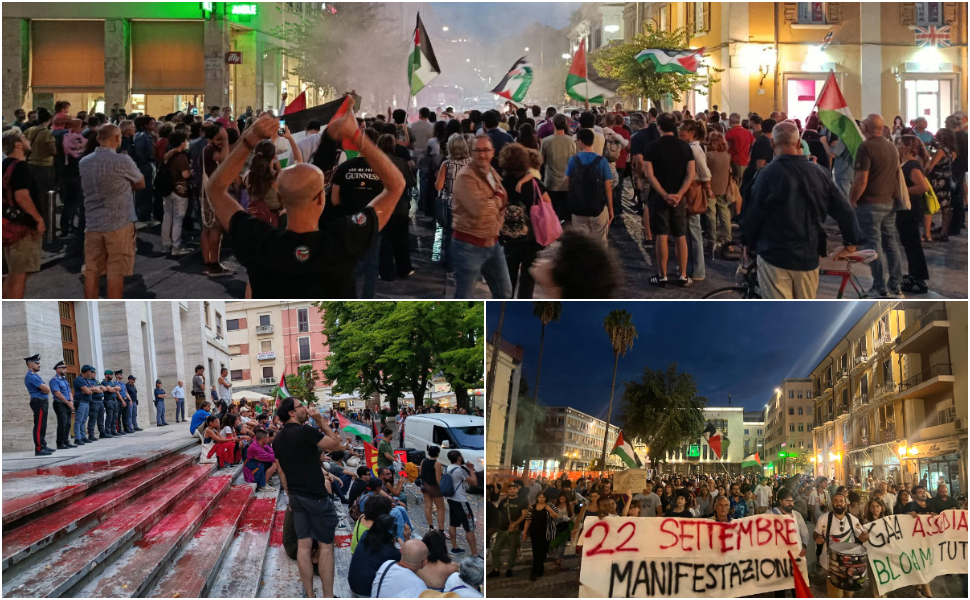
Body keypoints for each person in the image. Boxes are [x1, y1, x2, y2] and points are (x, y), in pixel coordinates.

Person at [206, 100, 405, 299]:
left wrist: (249, 140)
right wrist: (358, 138)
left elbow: (214, 190)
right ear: (321, 199)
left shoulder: (259, 241)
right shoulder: (342, 241)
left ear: (280, 199)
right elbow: (396, 185)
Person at [741, 121, 861, 299]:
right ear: (798, 144)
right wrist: (850, 242)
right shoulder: (820, 173)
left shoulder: (767, 174)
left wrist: (747, 243)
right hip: (808, 254)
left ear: (773, 144)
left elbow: (754, 214)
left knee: (778, 314)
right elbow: (844, 210)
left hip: (774, 253)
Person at [273, 397, 343, 598]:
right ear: (292, 413)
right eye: (301, 406)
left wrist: (288, 493)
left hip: (296, 497)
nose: (306, 408)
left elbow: (281, 469)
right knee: (325, 546)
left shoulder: (277, 438)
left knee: (303, 546)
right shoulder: (306, 431)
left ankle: (310, 596)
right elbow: (336, 444)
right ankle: (328, 596)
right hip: (316, 497)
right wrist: (321, 421)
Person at [78, 124, 145, 299]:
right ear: (116, 138)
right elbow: (141, 183)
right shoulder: (122, 161)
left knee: (92, 270)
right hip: (119, 222)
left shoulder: (84, 162)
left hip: (93, 223)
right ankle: (113, 304)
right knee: (116, 271)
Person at [451, 134, 512, 299]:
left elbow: (503, 196)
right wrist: (498, 199)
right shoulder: (465, 176)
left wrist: (497, 200)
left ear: (493, 152)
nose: (482, 154)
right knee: (463, 297)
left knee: (505, 293)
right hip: (468, 245)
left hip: (493, 242)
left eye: (486, 150)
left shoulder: (490, 171)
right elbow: (479, 209)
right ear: (470, 152)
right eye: (477, 150)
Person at [849, 114, 904, 297]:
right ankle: (895, 286)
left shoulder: (866, 147)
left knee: (873, 246)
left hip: (870, 203)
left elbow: (861, 179)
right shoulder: (891, 146)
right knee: (891, 244)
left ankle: (880, 288)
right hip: (889, 202)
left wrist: (853, 198)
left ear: (865, 127)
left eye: (863, 124)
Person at [642, 113, 694, 286]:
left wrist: (664, 194)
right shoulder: (685, 147)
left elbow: (649, 174)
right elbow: (690, 174)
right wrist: (679, 194)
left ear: (659, 127)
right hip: (679, 197)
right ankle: (683, 275)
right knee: (680, 235)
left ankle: (662, 275)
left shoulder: (651, 147)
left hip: (659, 196)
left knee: (661, 235)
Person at [499, 143, 550, 298]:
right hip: (532, 238)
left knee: (509, 276)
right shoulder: (534, 183)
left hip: (508, 237)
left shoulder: (500, 182)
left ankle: (506, 306)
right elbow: (548, 203)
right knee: (528, 280)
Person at [2, 129, 45, 298]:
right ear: (18, 144)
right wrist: (38, 218)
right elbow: (22, 196)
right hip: (24, 228)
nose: (28, 141)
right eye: (24, 138)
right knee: (20, 274)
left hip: (10, 224)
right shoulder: (20, 166)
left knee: (13, 272)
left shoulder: (5, 165)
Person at [813, 492, 869, 598]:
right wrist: (817, 538)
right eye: (836, 501)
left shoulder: (852, 519)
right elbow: (815, 533)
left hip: (849, 563)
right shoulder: (823, 519)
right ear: (832, 503)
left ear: (845, 504)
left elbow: (861, 536)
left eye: (841, 501)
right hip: (831, 563)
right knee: (835, 593)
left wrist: (865, 536)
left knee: (849, 592)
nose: (839, 503)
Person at [895, 135, 931, 294]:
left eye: (899, 143)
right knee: (908, 243)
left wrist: (902, 193)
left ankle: (920, 279)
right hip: (905, 208)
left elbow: (923, 187)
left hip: (911, 209)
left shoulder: (912, 166)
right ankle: (913, 274)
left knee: (913, 244)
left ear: (907, 147)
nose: (896, 144)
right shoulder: (906, 164)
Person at [565, 129, 613, 246]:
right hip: (598, 209)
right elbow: (608, 187)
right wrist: (611, 209)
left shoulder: (573, 160)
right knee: (600, 243)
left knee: (580, 243)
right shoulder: (602, 161)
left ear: (580, 142)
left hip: (578, 208)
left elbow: (566, 182)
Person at [434, 133, 472, 272]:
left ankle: (450, 265)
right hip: (467, 206)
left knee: (450, 236)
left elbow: (438, 186)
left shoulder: (446, 164)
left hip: (450, 204)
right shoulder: (472, 164)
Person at [23, 108, 58, 235]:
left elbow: (25, 147)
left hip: (31, 165)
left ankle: (33, 222)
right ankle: (45, 225)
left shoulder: (29, 130)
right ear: (49, 119)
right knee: (45, 198)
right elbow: (52, 151)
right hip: (44, 167)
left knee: (33, 196)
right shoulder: (46, 133)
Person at [539, 114, 576, 223]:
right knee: (566, 214)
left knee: (553, 215)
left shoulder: (546, 141)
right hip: (567, 182)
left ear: (553, 124)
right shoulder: (571, 141)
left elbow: (541, 161)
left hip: (551, 182)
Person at [489, 480, 527, 578]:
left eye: (514, 489)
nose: (512, 491)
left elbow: (524, 514)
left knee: (512, 551)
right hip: (502, 530)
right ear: (508, 491)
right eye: (510, 489)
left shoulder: (522, 501)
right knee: (495, 550)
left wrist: (516, 524)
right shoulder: (503, 501)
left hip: (513, 531)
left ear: (517, 490)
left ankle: (509, 568)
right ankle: (496, 569)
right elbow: (499, 513)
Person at [444, 450, 478, 557]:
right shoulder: (459, 470)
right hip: (461, 501)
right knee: (470, 527)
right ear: (459, 458)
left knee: (453, 523)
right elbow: (474, 482)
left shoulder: (447, 468)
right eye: (461, 456)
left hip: (451, 499)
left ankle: (454, 547)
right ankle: (475, 554)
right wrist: (471, 469)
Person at [925, 128, 957, 241]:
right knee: (946, 206)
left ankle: (927, 233)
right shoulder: (952, 151)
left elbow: (930, 167)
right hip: (947, 180)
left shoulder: (940, 151)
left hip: (937, 181)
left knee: (929, 205)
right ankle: (944, 231)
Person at [522, 491, 558, 581]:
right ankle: (536, 570)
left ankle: (538, 569)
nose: (541, 499)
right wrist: (525, 532)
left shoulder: (550, 505)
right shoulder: (533, 507)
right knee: (536, 550)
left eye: (543, 497)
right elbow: (528, 520)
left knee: (543, 551)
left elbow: (556, 516)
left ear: (546, 498)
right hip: (535, 532)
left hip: (546, 532)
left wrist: (549, 509)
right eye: (539, 497)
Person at [420, 445, 446, 532]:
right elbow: (438, 479)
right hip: (434, 488)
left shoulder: (423, 461)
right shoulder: (437, 464)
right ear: (438, 453)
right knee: (441, 509)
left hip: (425, 486)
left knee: (428, 506)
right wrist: (443, 489)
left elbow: (421, 473)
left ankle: (431, 527)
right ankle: (441, 530)